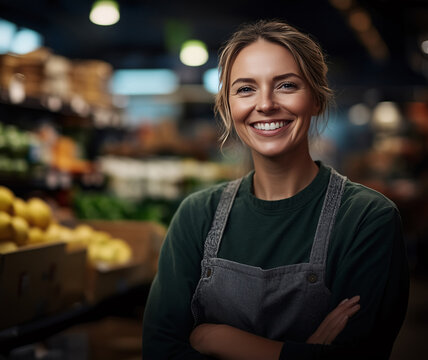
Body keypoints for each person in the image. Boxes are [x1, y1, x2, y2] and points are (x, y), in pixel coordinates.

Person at [142, 20, 409, 359]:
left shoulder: (367, 219)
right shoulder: (197, 215)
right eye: (245, 89)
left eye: (285, 85)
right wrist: (299, 352)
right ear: (227, 107)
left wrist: (218, 339)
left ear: (316, 98)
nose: (265, 104)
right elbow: (160, 350)